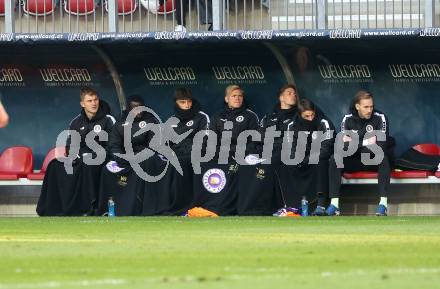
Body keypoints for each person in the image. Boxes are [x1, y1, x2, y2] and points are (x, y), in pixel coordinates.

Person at [37, 87, 116, 216]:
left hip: (102, 158)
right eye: (89, 101)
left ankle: (89, 207)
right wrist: (76, 156)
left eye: (95, 99)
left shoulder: (108, 120)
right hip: (80, 158)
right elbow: (70, 145)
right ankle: (53, 208)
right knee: (54, 165)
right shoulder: (76, 122)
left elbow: (113, 144)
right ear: (82, 104)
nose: (94, 103)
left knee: (89, 164)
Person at [190, 84, 259, 216]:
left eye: (240, 96)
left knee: (235, 167)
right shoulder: (218, 116)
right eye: (234, 96)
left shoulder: (250, 116)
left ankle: (225, 207)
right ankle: (205, 204)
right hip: (220, 154)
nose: (237, 98)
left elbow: (254, 142)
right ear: (226, 99)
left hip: (240, 155)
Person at [326, 90, 393, 216]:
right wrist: (367, 142)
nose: (369, 110)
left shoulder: (380, 117)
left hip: (373, 160)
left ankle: (383, 204)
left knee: (382, 157)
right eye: (366, 107)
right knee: (335, 158)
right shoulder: (348, 119)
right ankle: (334, 204)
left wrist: (355, 143)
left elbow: (381, 146)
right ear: (357, 106)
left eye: (371, 106)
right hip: (355, 160)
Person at [237, 84, 298, 215]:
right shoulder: (269, 116)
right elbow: (258, 137)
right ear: (281, 97)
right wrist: (253, 153)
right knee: (245, 165)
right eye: (289, 93)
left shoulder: (298, 116)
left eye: (294, 93)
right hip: (266, 152)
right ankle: (248, 207)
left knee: (266, 166)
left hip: (285, 153)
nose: (293, 95)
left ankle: (268, 208)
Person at [97, 95, 159, 216]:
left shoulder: (151, 121)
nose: (138, 110)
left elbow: (154, 146)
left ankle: (138, 204)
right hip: (124, 160)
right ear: (129, 109)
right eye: (135, 107)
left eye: (140, 107)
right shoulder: (120, 124)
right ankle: (108, 207)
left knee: (146, 164)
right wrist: (123, 158)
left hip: (142, 159)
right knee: (106, 169)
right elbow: (113, 146)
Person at [163, 87, 210, 215]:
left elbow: (204, 140)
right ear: (176, 103)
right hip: (177, 157)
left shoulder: (202, 117)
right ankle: (176, 206)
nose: (187, 105)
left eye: (189, 101)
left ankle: (192, 207)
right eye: (182, 102)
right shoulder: (171, 120)